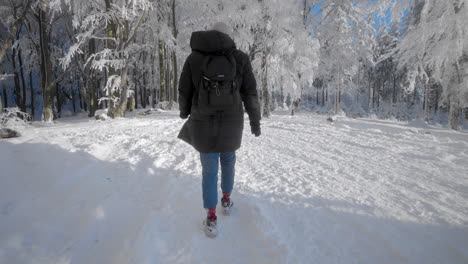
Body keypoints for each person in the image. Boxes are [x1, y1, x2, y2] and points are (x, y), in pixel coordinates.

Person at [177, 22, 261, 237]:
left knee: (209, 169)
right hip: (232, 122)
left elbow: (184, 90)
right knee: (228, 159)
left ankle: (211, 217)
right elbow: (250, 92)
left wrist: (184, 112)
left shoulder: (194, 59)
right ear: (229, 37)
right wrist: (254, 120)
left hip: (203, 122)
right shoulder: (240, 58)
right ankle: (226, 200)